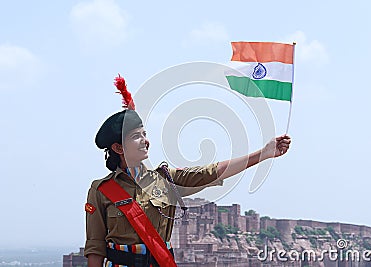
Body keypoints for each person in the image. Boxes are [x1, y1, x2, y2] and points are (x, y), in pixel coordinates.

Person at [84, 75, 291, 267]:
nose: (145, 141)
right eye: (136, 136)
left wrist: (262, 153)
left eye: (144, 133)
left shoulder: (166, 180)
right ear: (118, 148)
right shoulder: (101, 190)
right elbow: (95, 246)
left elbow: (211, 172)